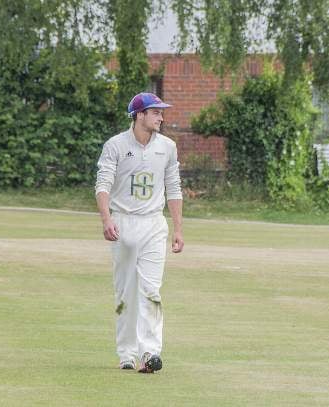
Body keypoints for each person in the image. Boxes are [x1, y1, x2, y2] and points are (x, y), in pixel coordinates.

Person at [95, 92, 184, 373]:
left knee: (150, 289)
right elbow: (103, 184)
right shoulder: (116, 146)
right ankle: (126, 353)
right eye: (155, 112)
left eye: (161, 112)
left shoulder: (168, 147)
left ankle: (150, 352)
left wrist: (178, 229)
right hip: (124, 222)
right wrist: (107, 219)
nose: (161, 117)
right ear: (139, 115)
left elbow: (174, 187)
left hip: (154, 224)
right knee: (126, 291)